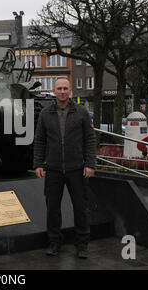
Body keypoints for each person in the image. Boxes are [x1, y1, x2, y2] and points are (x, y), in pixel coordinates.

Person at [33, 77, 96, 259]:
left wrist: (90, 164)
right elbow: (40, 141)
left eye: (65, 88)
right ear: (54, 91)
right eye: (59, 88)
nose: (62, 91)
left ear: (70, 91)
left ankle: (82, 244)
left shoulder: (82, 112)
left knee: (81, 208)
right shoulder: (45, 113)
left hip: (77, 168)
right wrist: (38, 164)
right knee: (52, 208)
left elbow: (90, 140)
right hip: (53, 169)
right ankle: (54, 242)